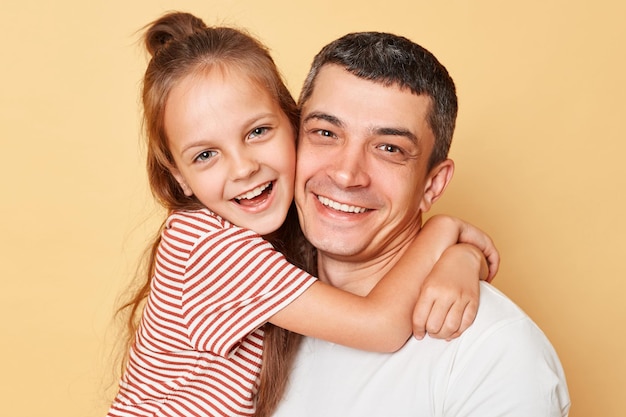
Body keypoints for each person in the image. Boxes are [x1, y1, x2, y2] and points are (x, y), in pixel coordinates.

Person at [107, 13, 499, 417]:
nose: (243, 169)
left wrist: (461, 258)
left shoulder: (278, 234)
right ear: (179, 176)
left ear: (293, 125)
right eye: (205, 155)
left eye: (257, 132)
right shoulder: (207, 249)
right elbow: (378, 325)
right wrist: (443, 230)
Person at [272, 32, 571, 416]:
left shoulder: (491, 351)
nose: (347, 175)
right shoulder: (252, 306)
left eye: (389, 148)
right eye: (326, 133)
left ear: (433, 184)